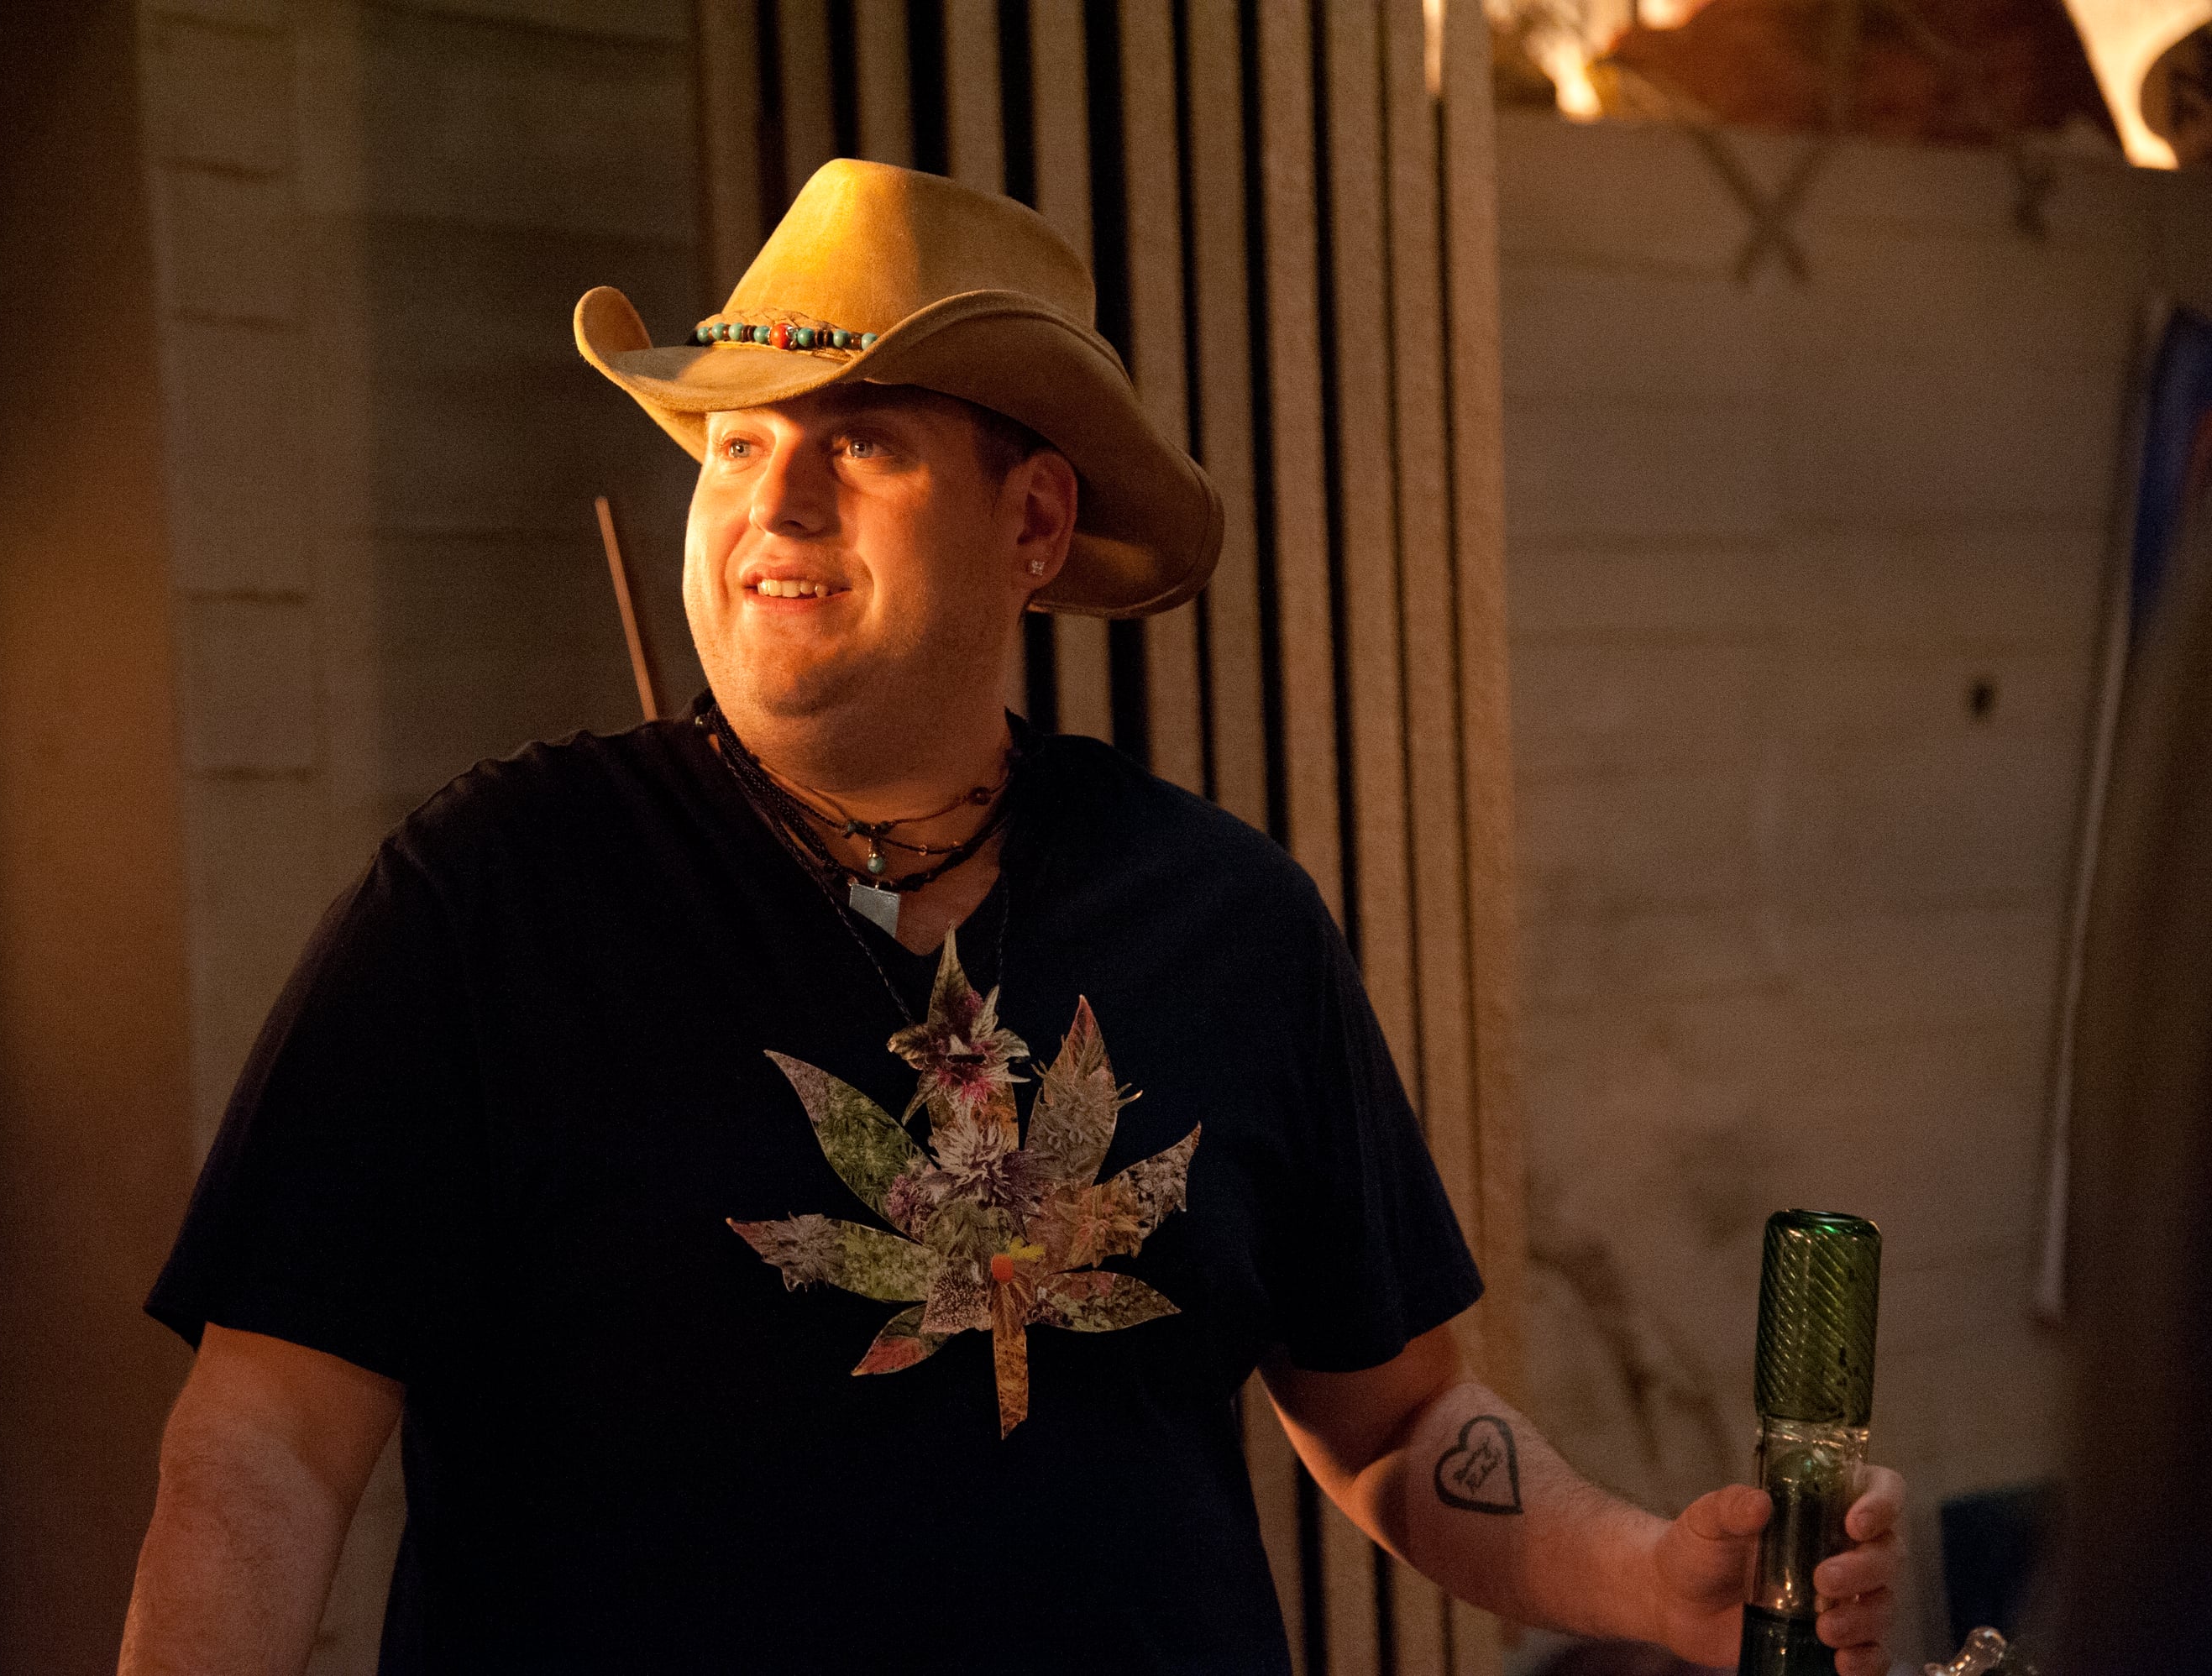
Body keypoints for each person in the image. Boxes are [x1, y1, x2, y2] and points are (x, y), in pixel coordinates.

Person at [117, 159, 1904, 1675]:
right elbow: (267, 1444)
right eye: (734, 444)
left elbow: (1402, 1419)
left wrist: (1648, 1575)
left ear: (1035, 520)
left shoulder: (1227, 917)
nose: (774, 500)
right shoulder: (489, 898)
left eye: (862, 442)